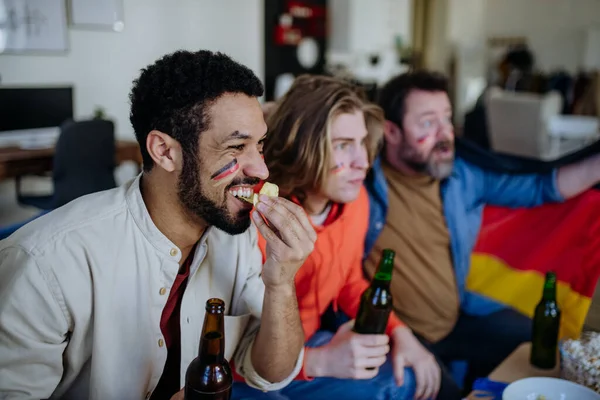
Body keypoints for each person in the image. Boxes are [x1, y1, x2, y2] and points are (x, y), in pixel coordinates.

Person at [0, 50, 316, 400]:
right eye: (236, 146)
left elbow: (271, 374)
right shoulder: (45, 264)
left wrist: (282, 282)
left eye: (259, 145)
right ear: (165, 152)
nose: (261, 169)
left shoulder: (235, 237)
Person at [364, 70, 600, 394]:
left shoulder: (462, 175)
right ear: (390, 131)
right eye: (428, 123)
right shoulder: (360, 183)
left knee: (538, 338)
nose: (445, 134)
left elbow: (540, 187)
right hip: (399, 330)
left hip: (456, 316)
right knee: (442, 391)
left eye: (447, 119)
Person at [233, 75, 460, 400]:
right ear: (302, 147)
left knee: (407, 379)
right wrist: (320, 361)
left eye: (363, 143)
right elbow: (223, 352)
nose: (363, 162)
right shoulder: (254, 218)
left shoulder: (355, 203)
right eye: (342, 145)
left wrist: (401, 332)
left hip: (311, 346)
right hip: (251, 372)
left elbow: (349, 280)